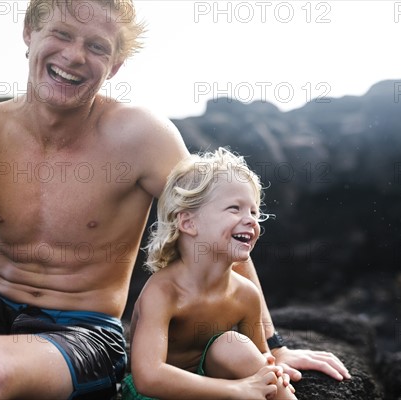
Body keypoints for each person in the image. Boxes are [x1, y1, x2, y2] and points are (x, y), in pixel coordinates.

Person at [0, 0, 350, 399]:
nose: (74, 56)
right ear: (29, 32)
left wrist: (275, 345)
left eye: (97, 47)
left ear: (114, 66)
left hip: (82, 331)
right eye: (61, 34)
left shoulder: (141, 136)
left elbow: (220, 229)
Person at [122, 148, 296, 399]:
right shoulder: (164, 291)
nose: (250, 220)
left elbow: (260, 359)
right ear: (189, 223)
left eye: (254, 212)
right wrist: (236, 390)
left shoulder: (246, 294)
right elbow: (148, 377)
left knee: (232, 345)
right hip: (159, 394)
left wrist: (273, 372)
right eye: (235, 208)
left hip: (213, 381)